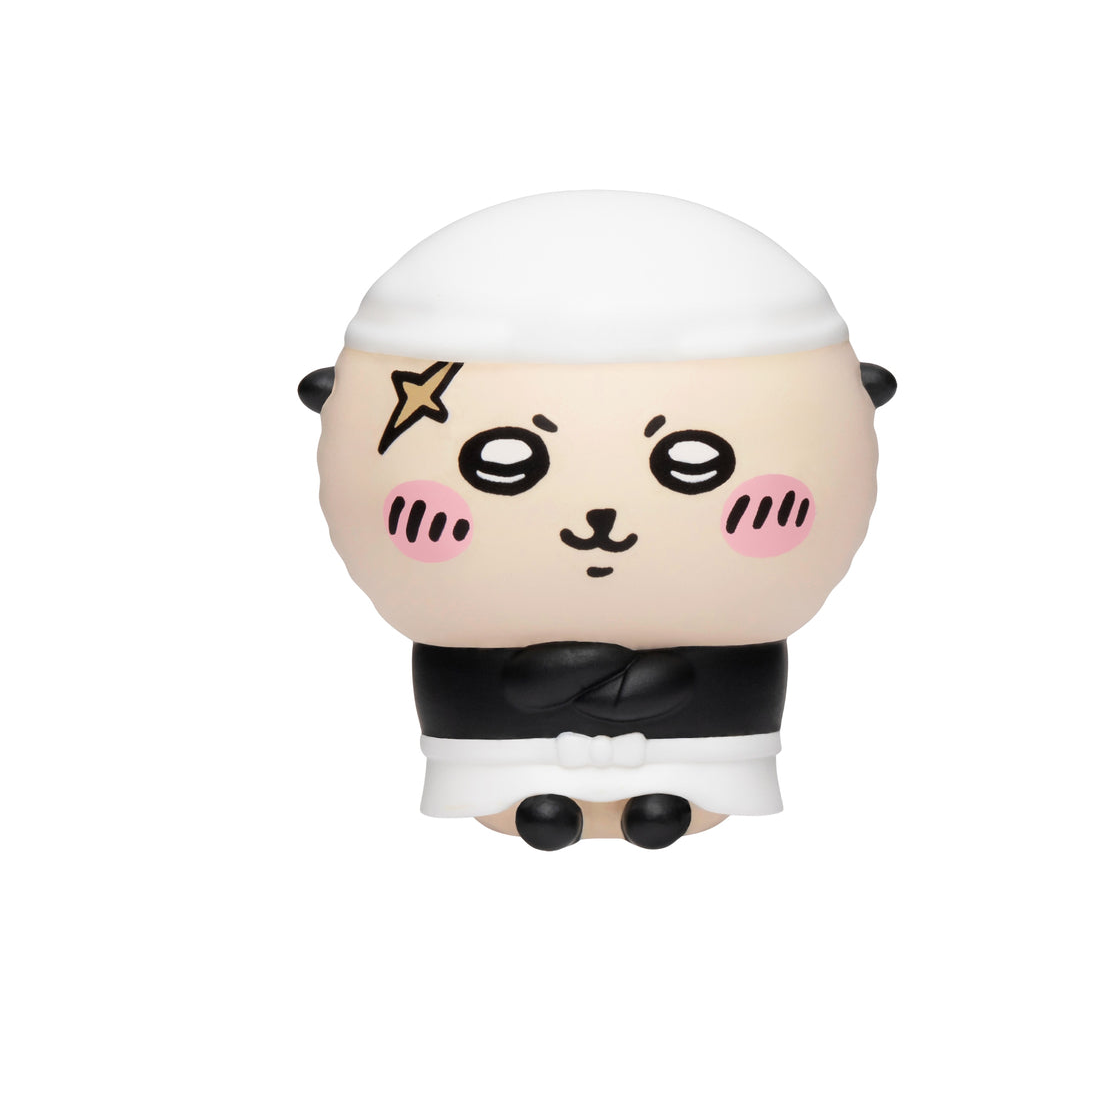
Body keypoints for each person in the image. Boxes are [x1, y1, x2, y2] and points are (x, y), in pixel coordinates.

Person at [300, 190, 895, 850]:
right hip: (485, 718)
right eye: (505, 462)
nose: (600, 520)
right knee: (521, 787)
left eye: (691, 462)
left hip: (717, 712)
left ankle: (671, 793)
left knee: (681, 784)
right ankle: (535, 795)